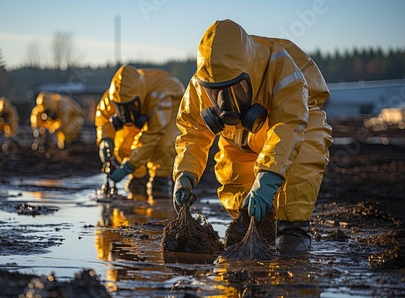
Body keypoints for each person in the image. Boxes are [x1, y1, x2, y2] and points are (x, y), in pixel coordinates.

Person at [172, 19, 333, 253]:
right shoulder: (199, 84)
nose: (225, 103)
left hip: (297, 125)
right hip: (241, 138)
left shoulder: (280, 68)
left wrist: (267, 179)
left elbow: (288, 126)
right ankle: (253, 225)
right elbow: (192, 133)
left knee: (302, 160)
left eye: (234, 89)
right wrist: (184, 174)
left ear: (249, 73)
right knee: (233, 178)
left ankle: (293, 229)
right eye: (216, 92)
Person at [95, 64, 185, 199]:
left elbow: (153, 134)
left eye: (129, 106)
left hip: (172, 105)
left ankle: (160, 180)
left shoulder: (160, 94)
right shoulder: (114, 95)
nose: (125, 114)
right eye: (121, 108)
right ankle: (139, 177)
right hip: (145, 108)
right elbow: (102, 118)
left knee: (163, 145)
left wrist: (128, 166)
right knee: (123, 145)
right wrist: (105, 139)